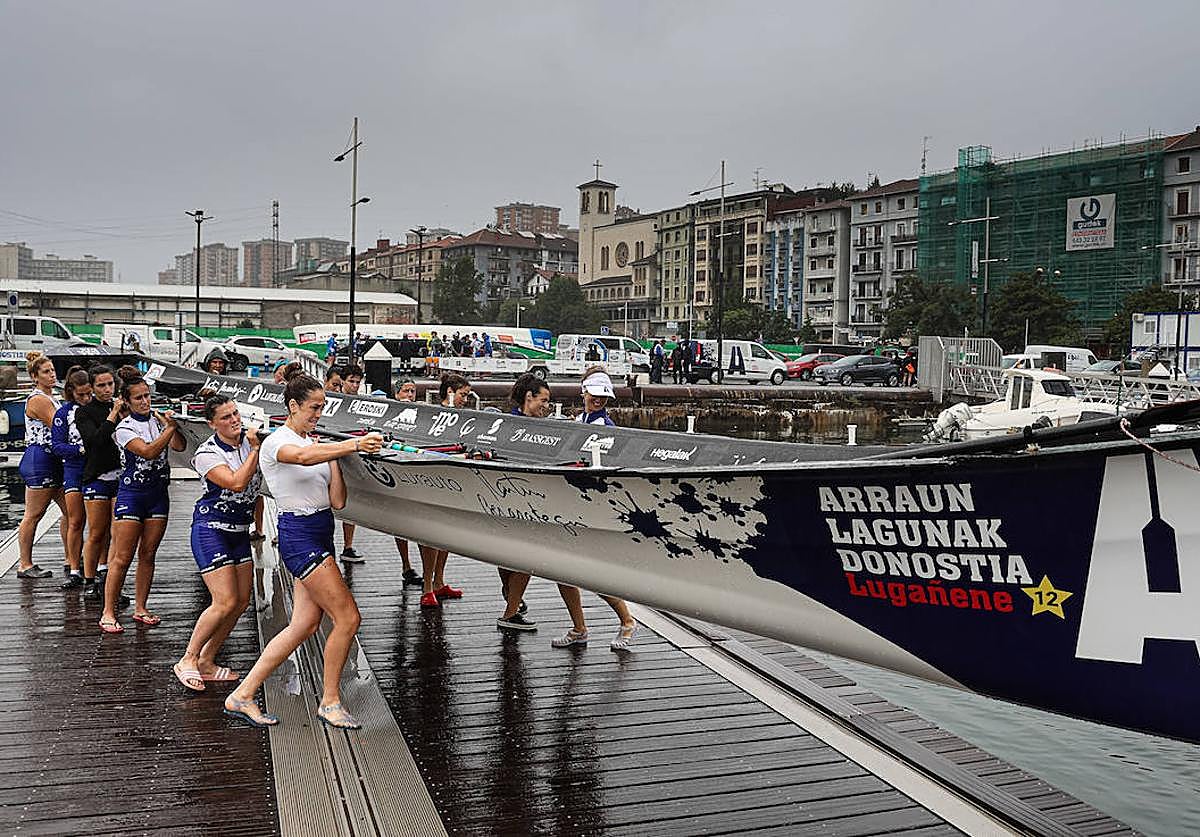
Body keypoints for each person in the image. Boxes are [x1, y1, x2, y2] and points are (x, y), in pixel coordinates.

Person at [224, 370, 383, 729]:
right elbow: (300, 458)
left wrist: (336, 456)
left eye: (323, 407)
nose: (318, 414)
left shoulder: (318, 444)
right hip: (299, 536)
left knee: (304, 625)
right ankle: (329, 702)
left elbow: (338, 501)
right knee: (348, 618)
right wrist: (351, 445)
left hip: (322, 531)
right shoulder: (276, 442)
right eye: (313, 407)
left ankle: (243, 694)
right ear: (293, 406)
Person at [173, 395, 262, 691]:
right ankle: (188, 658)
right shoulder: (207, 453)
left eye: (236, 414)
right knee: (223, 601)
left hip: (239, 531)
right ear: (212, 424)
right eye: (226, 417)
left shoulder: (249, 444)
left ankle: (207, 660)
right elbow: (236, 482)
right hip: (211, 529)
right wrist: (256, 450)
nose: (234, 420)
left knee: (240, 602)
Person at [99, 376, 187, 634]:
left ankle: (141, 607)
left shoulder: (158, 422)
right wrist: (169, 429)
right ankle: (108, 611)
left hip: (158, 494)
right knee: (122, 557)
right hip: (132, 495)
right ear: (126, 401)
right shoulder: (124, 428)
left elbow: (179, 446)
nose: (145, 401)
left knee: (148, 554)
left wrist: (171, 425)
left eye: (147, 396)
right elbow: (148, 451)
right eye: (138, 398)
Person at [559, 368, 637, 651]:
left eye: (605, 396)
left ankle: (627, 620)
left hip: (591, 506)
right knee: (562, 571)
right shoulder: (576, 421)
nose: (600, 400)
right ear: (584, 392)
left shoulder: (606, 427)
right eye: (595, 394)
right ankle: (579, 628)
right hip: (569, 502)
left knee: (588, 572)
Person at [494, 374, 549, 632]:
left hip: (504, 500)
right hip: (520, 500)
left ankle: (511, 600)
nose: (546, 407)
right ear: (529, 397)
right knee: (525, 558)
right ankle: (510, 613)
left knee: (507, 557)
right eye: (544, 401)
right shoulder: (522, 426)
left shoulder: (508, 422)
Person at [418, 374, 469, 608]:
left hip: (453, 482)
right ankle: (427, 585)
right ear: (449, 392)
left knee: (446, 537)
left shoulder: (465, 417)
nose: (465, 400)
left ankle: (439, 581)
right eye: (463, 395)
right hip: (432, 482)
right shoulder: (434, 415)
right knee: (430, 537)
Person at [75, 365, 124, 601]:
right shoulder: (85, 412)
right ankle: (89, 579)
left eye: (110, 384)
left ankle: (110, 578)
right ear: (92, 388)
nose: (107, 389)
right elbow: (95, 440)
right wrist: (113, 415)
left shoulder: (123, 408)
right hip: (97, 477)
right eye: (101, 386)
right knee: (96, 532)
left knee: (118, 532)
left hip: (120, 477)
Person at [15, 353, 65, 579]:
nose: (52, 374)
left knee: (72, 513)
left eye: (53, 370)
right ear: (35, 377)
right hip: (40, 458)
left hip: (54, 459)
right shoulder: (38, 400)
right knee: (34, 514)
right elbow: (58, 425)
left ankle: (71, 557)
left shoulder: (53, 397)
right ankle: (24, 563)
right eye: (46, 372)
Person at [50, 366, 92, 588]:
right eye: (81, 394)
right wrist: (82, 450)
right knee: (75, 521)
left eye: (88, 394)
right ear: (70, 392)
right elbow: (57, 446)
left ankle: (98, 567)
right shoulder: (63, 414)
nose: (85, 398)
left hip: (96, 471)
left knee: (98, 525)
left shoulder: (97, 409)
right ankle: (74, 568)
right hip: (75, 470)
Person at [392, 378, 423, 587]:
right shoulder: (393, 414)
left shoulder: (422, 414)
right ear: (397, 394)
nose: (410, 395)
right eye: (406, 391)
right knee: (400, 525)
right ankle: (406, 564)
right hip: (397, 473)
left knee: (421, 525)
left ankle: (427, 571)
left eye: (413, 391)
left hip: (417, 475)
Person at [336, 365, 365, 563]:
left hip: (351, 454)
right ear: (343, 381)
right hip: (332, 454)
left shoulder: (364, 402)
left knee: (349, 501)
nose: (354, 385)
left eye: (357, 382)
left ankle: (348, 545)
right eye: (351, 381)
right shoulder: (333, 401)